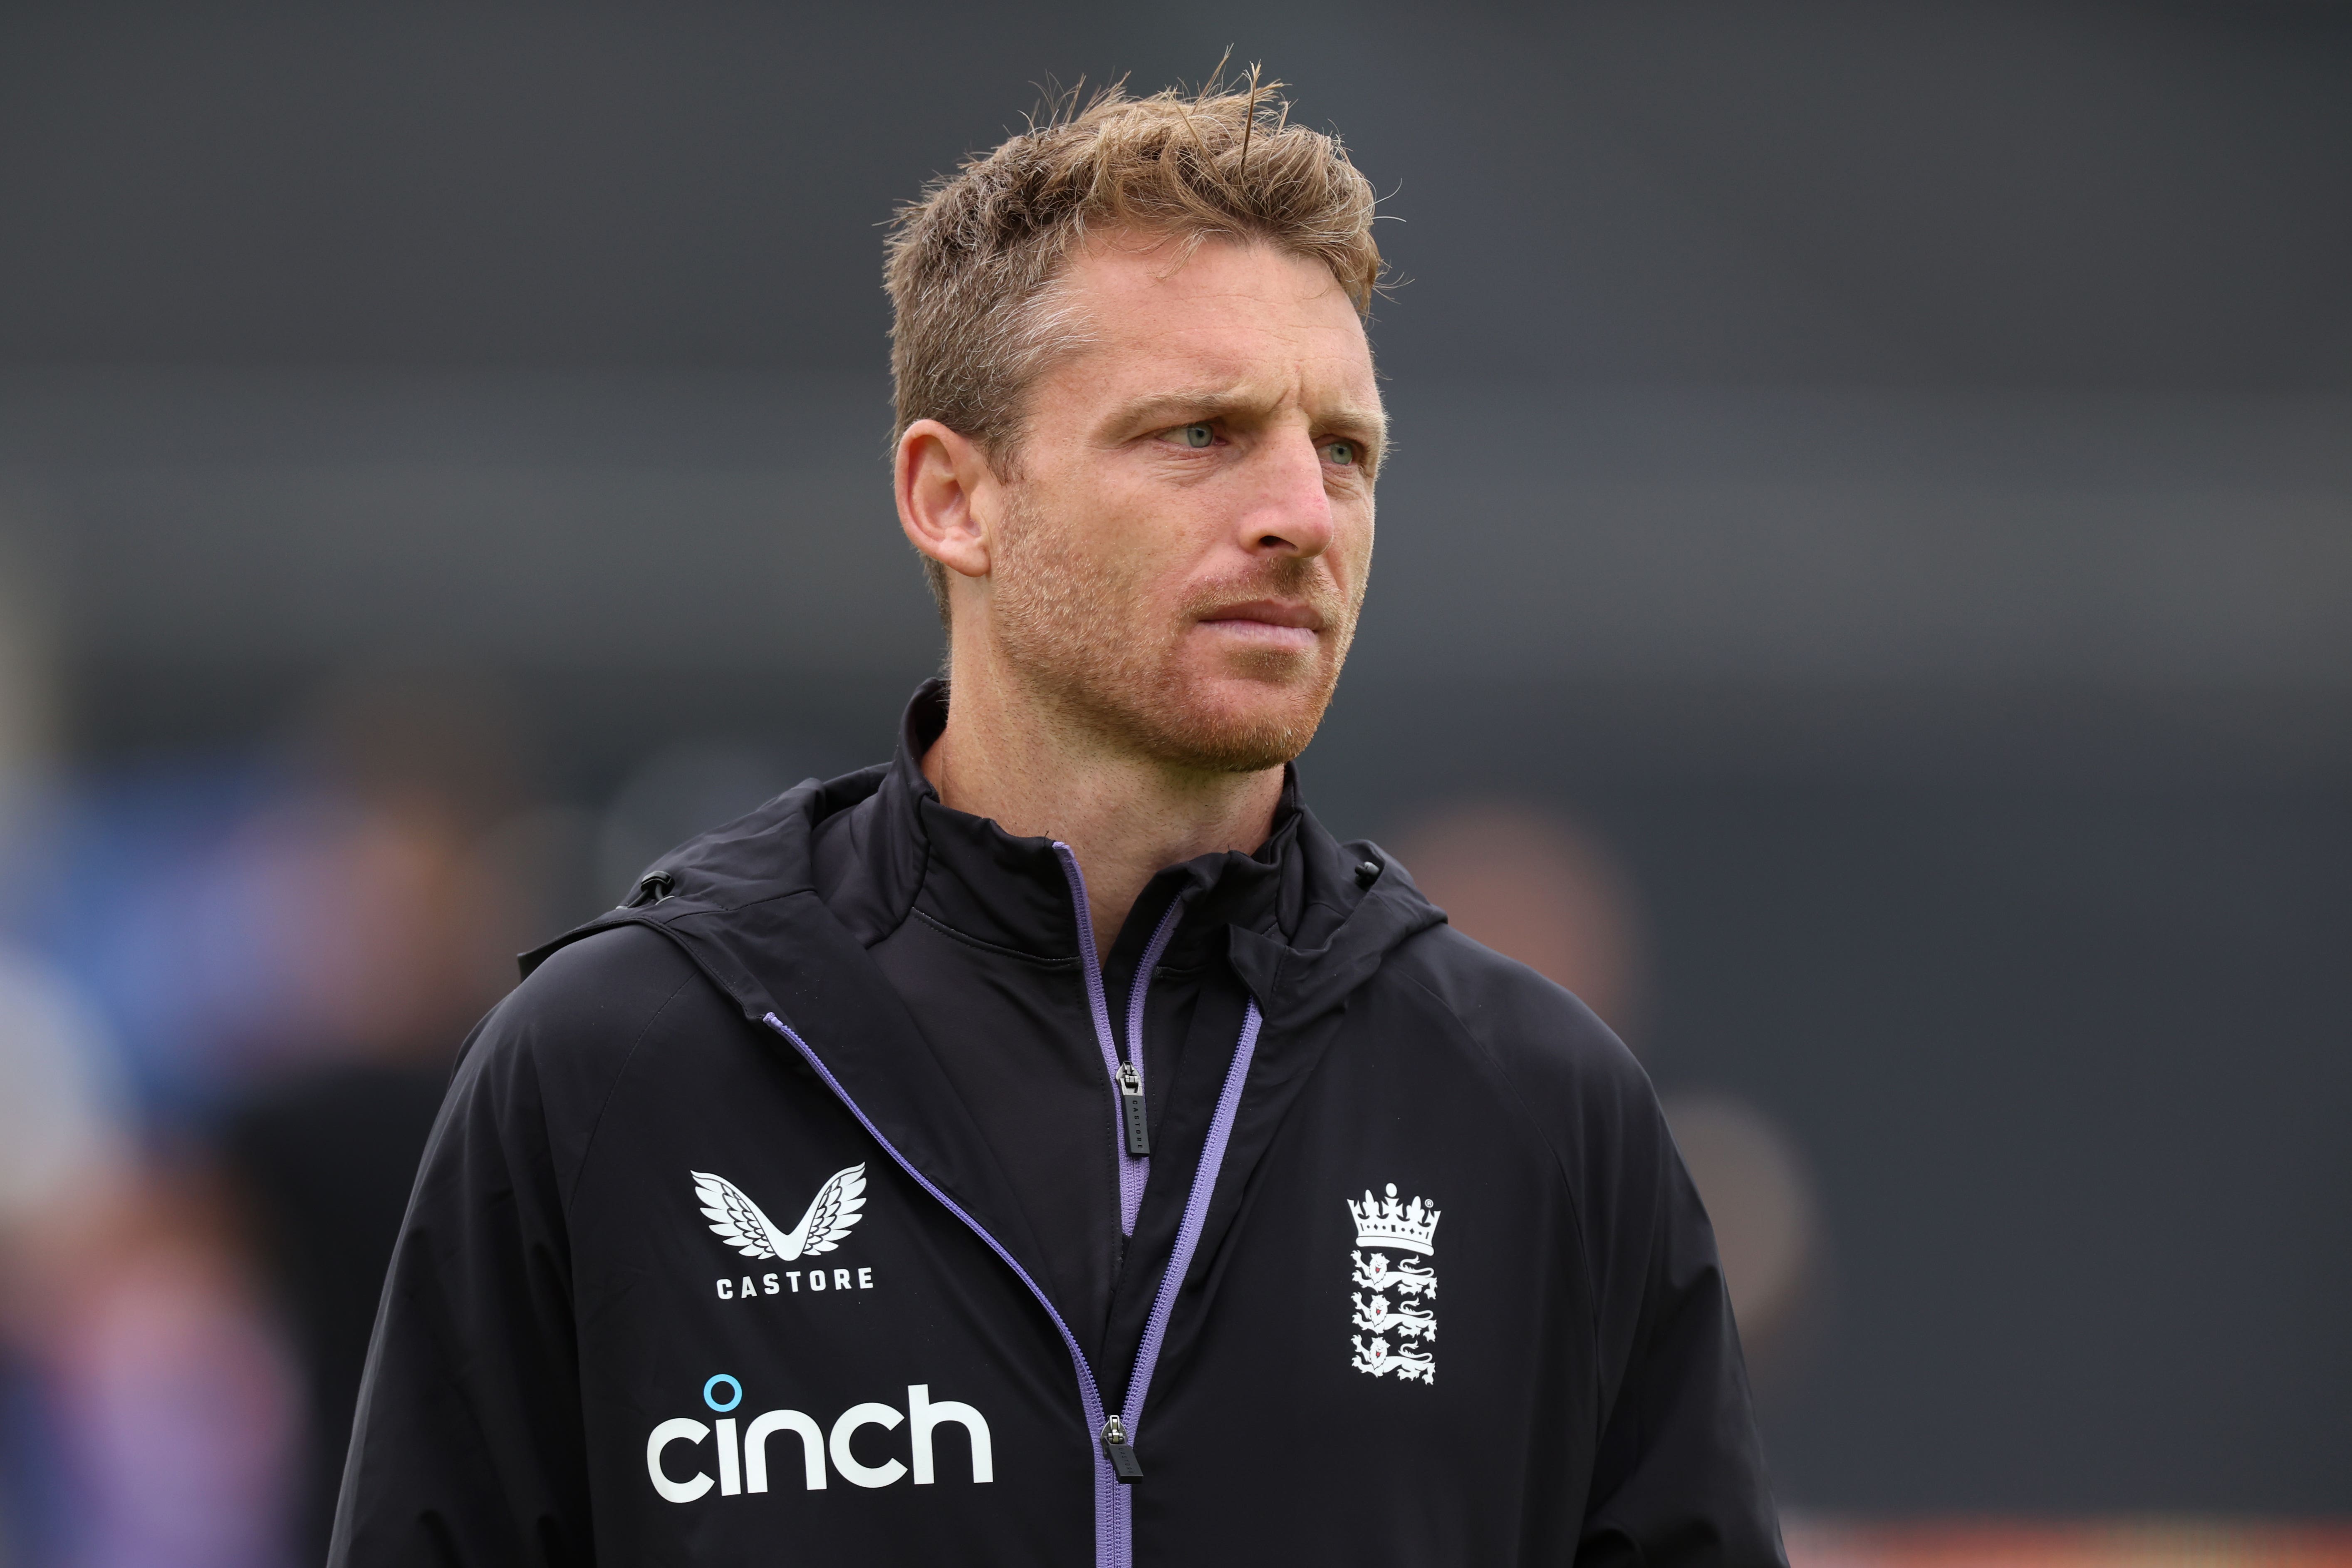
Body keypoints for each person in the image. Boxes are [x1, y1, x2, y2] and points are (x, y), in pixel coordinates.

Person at [331, 79, 1784, 1567]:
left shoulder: (1539, 1110)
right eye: (1200, 433)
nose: (1301, 511)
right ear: (954, 498)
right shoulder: (615, 1066)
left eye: (1344, 450)